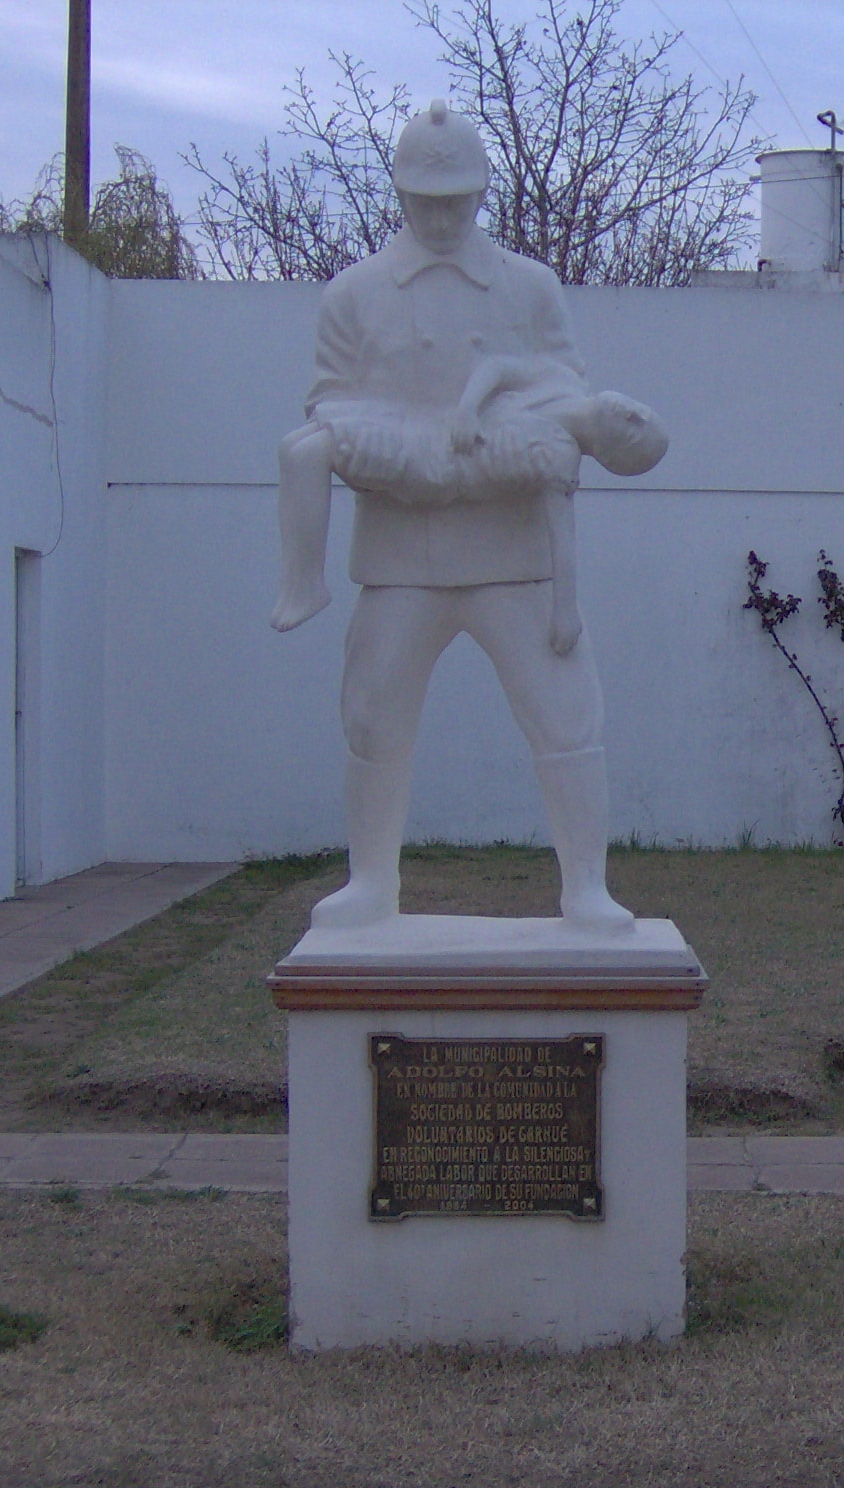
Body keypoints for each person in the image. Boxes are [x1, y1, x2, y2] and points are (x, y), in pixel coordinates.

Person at [269, 100, 665, 933]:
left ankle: (584, 885)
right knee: (373, 713)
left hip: (514, 550)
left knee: (564, 712)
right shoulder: (355, 295)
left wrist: (506, 447)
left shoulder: (529, 287)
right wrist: (399, 450)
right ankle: (373, 880)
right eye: (425, 199)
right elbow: (327, 402)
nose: (442, 215)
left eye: (457, 199)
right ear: (400, 196)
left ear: (482, 194)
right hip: (401, 551)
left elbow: (567, 395)